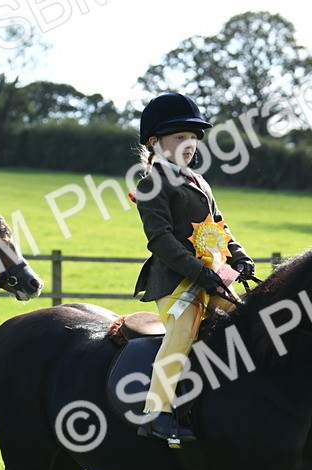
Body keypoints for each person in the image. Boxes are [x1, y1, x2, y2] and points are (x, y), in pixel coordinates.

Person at [132, 92, 257, 445]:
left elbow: (218, 226)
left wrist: (239, 256)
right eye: (180, 138)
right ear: (155, 143)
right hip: (174, 281)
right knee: (183, 332)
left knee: (248, 320)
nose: (189, 144)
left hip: (213, 277)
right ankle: (157, 413)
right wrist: (198, 272)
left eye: (193, 138)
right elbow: (161, 240)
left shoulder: (200, 182)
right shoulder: (151, 183)